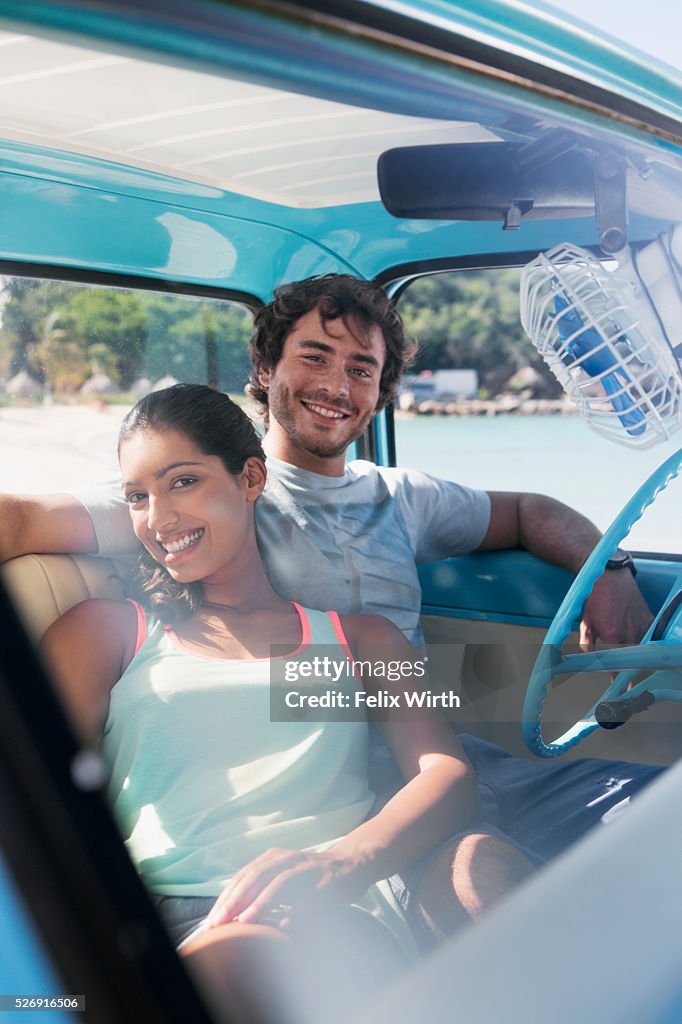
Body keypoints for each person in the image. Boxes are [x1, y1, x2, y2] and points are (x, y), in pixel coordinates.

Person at [1, 274, 661, 944]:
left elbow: (528, 511)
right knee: (478, 885)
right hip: (352, 787)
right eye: (314, 356)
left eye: (361, 368)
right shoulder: (201, 489)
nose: (337, 386)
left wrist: (611, 570)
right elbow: (24, 523)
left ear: (381, 389)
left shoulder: (403, 498)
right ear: (265, 368)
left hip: (437, 747)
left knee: (659, 818)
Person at [39, 383, 530, 1018]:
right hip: (190, 918)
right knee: (250, 963)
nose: (157, 520)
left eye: (182, 482)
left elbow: (448, 775)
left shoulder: (357, 638)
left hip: (341, 901)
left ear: (250, 478)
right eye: (137, 496)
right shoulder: (109, 631)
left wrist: (340, 863)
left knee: (485, 870)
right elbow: (39, 797)